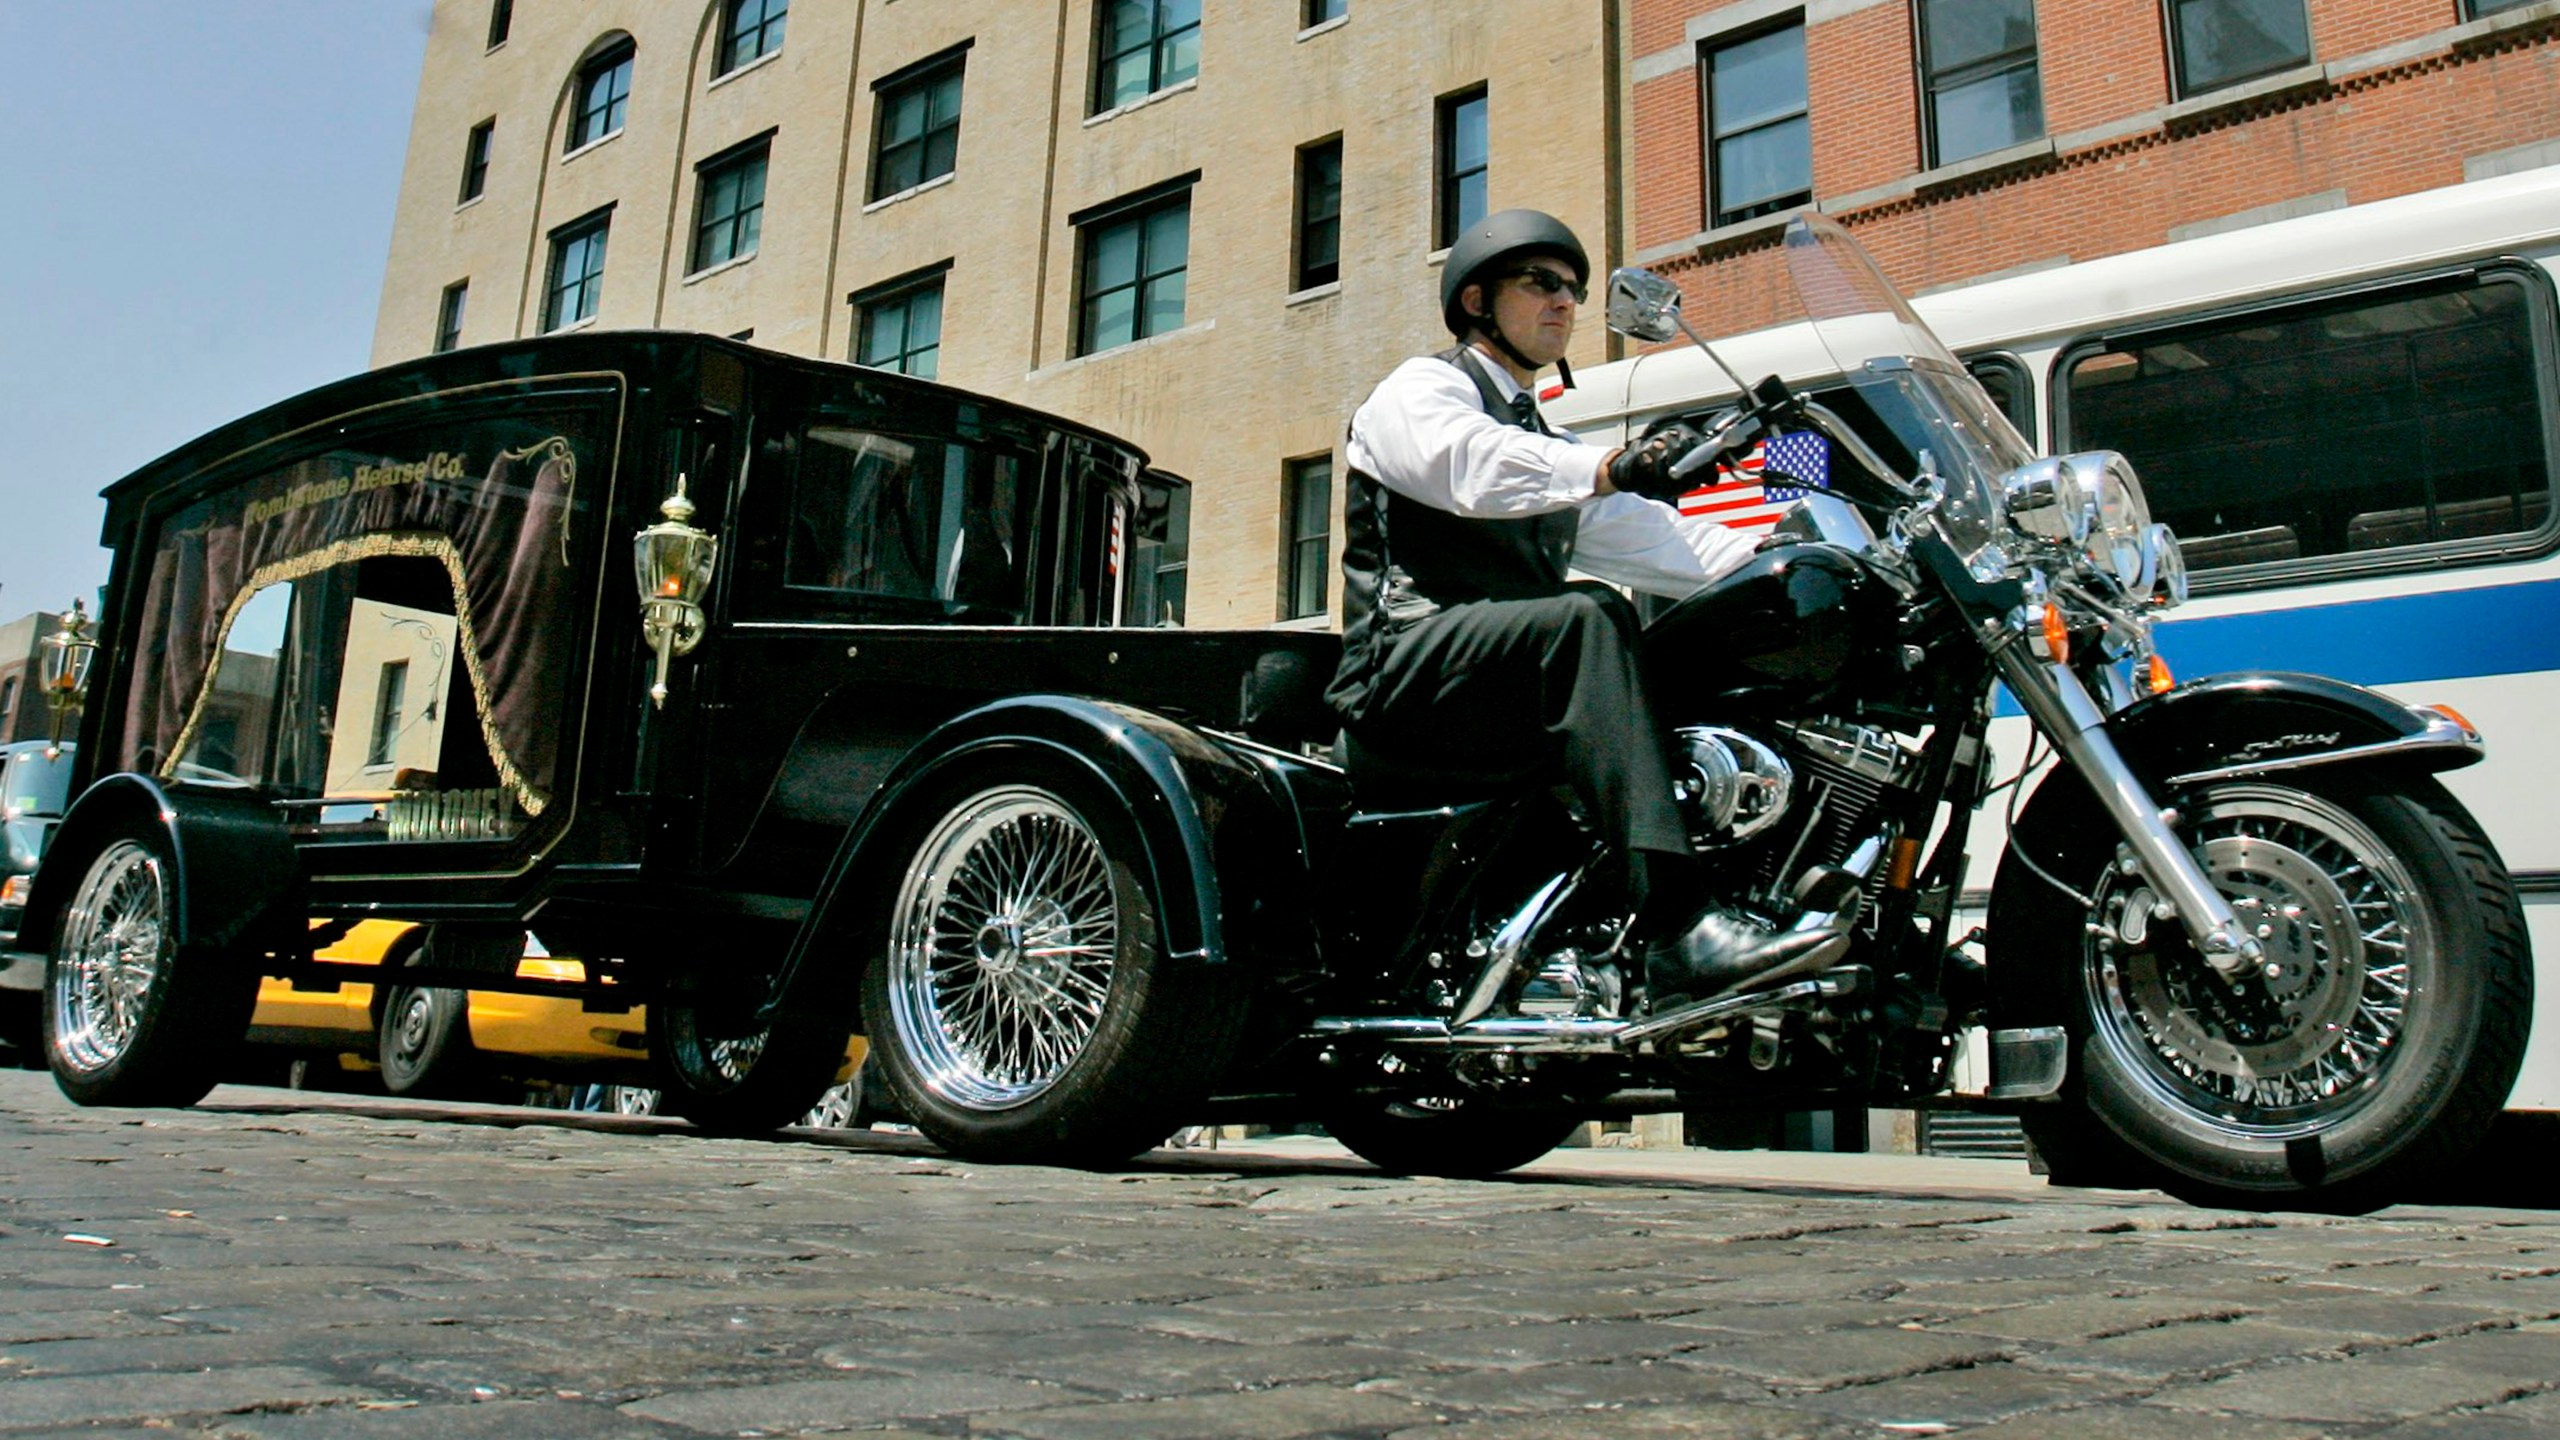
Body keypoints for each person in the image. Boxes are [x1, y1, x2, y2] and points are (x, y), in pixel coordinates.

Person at [1324, 209, 1846, 1007]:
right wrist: (1609, 465)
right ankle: (1680, 929)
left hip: (1501, 692)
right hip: (1401, 675)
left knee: (1693, 652)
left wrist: (1798, 560)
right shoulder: (1426, 390)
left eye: (1572, 290)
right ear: (1475, 301)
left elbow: (1664, 543)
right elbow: (1465, 465)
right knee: (1592, 615)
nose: (1565, 303)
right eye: (1540, 284)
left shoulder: (1547, 444)